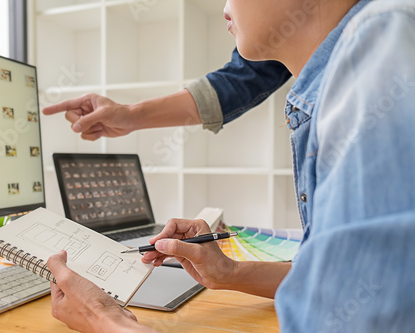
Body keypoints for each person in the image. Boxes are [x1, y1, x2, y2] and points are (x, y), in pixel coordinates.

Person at [44, 0, 415, 331]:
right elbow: (337, 285)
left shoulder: (380, 43)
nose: (223, 6)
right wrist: (228, 273)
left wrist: (102, 318)